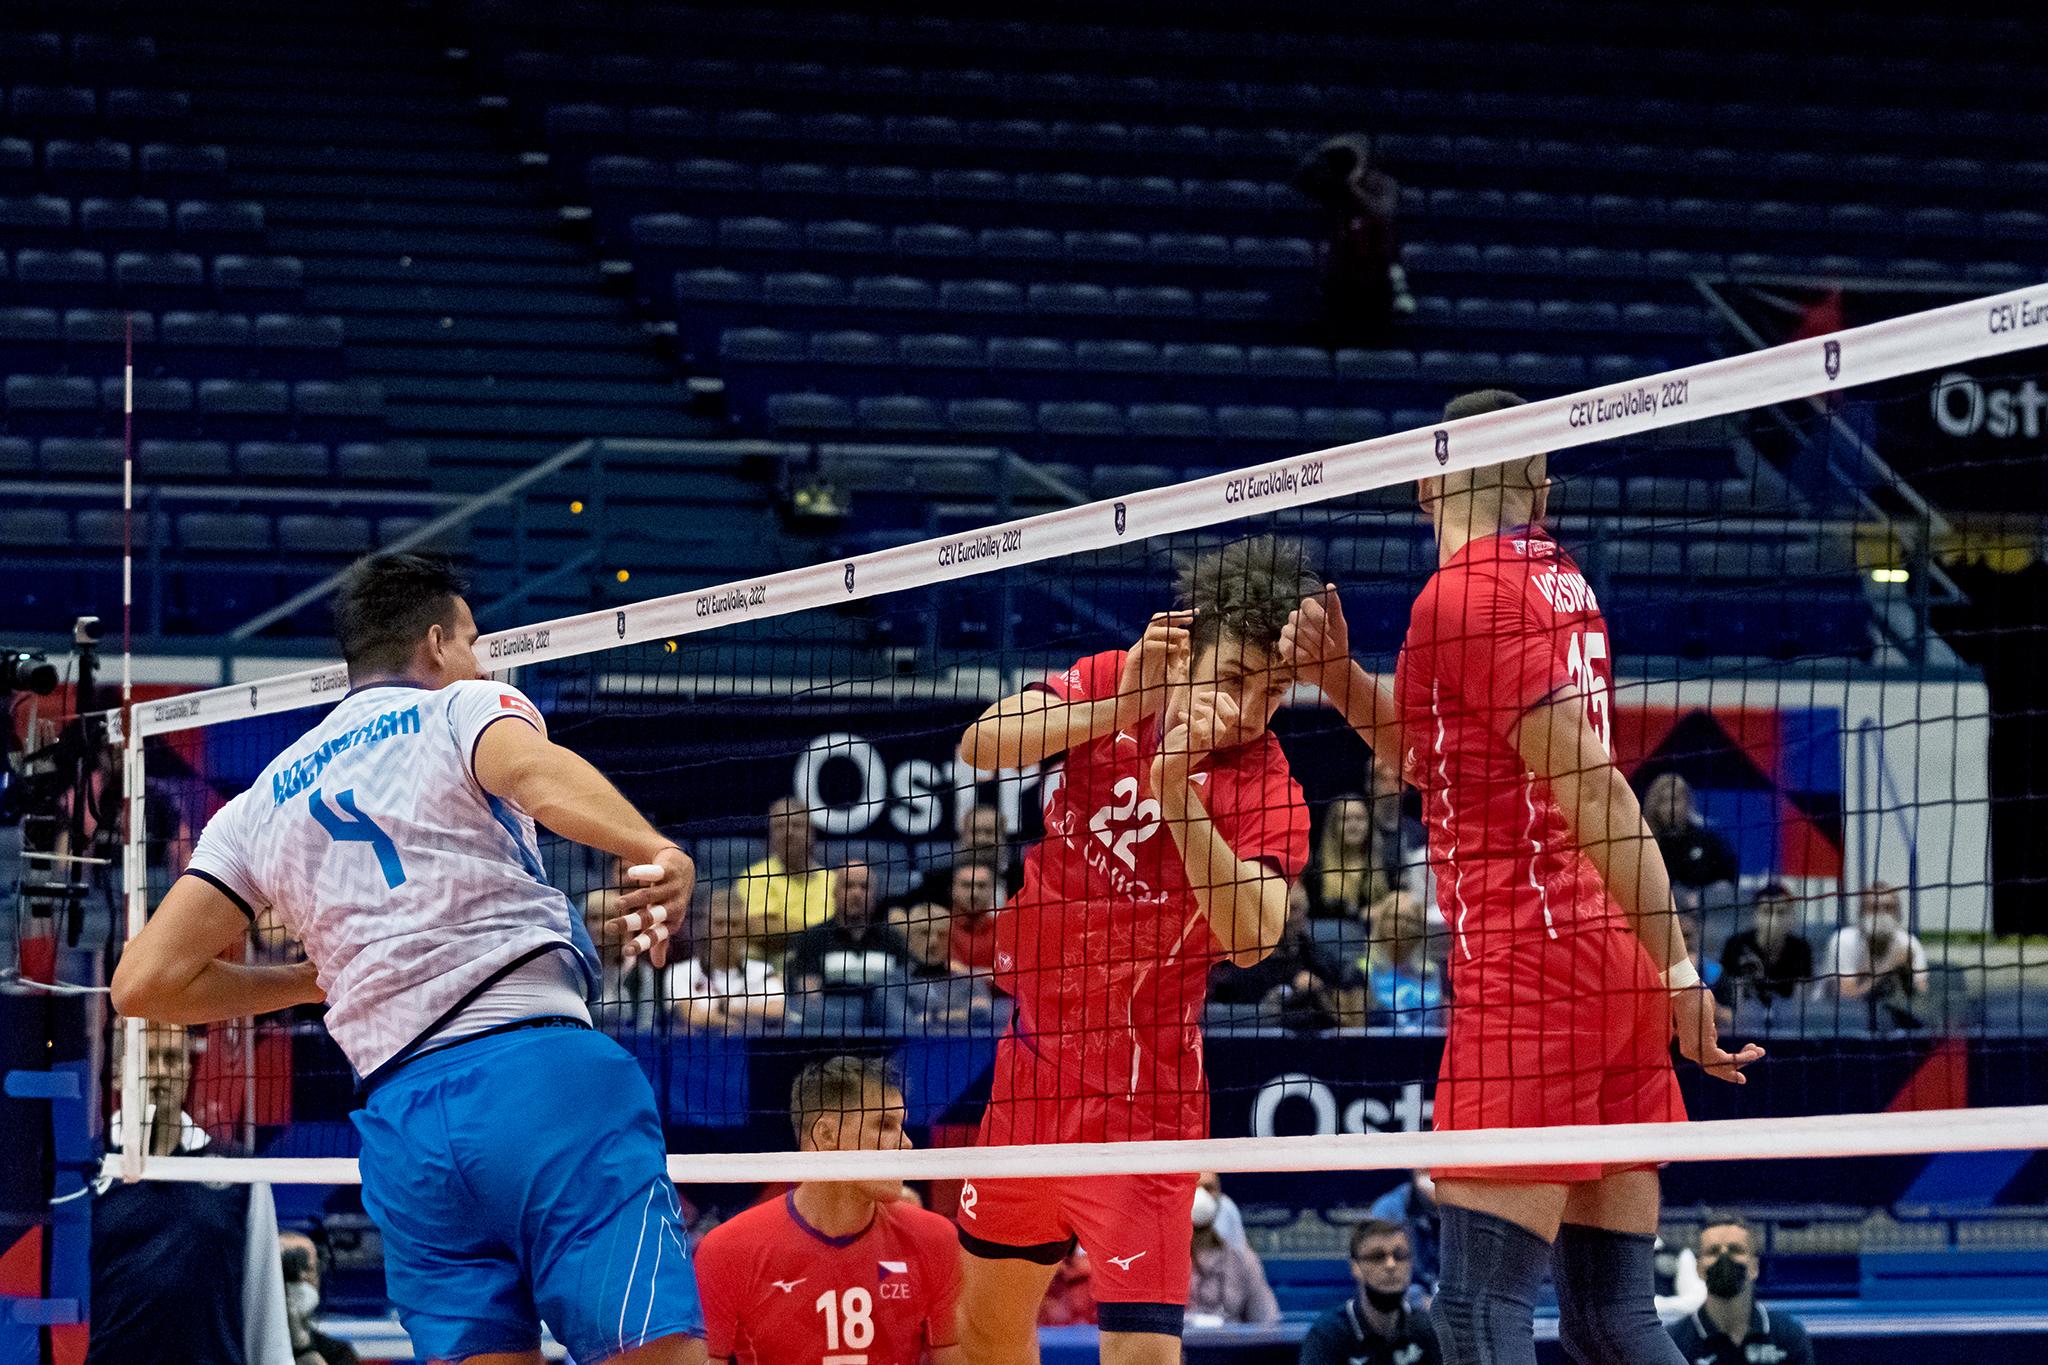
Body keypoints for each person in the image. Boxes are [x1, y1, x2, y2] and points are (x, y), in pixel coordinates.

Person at [111, 552, 706, 1365]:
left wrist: (308, 981)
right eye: (472, 641)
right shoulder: (461, 706)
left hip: (404, 1127)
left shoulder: (257, 802)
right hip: (538, 1080)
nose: (480, 660)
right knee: (653, 1351)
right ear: (435, 643)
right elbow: (534, 773)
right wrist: (652, 846)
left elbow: (142, 983)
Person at [1280, 391, 1762, 1365]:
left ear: (1426, 479)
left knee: (1475, 1314)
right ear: (1541, 484)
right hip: (1606, 963)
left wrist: (1683, 969)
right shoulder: (1556, 580)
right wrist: (1338, 682)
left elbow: (1597, 790)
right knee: (1611, 1322)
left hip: (1533, 965)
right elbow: (1438, 759)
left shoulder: (1461, 597)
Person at [952, 536, 1317, 1365]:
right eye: (1233, 678)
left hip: (1144, 1104)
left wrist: (1177, 793)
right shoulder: (1120, 678)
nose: (1250, 708)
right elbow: (980, 743)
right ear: (1184, 655)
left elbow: (1254, 938)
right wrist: (1118, 708)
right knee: (984, 1335)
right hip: (1031, 1077)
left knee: (1142, 1357)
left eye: (1274, 689)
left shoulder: (1267, 784)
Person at [693, 1056, 964, 1365]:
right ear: (826, 1135)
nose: (906, 1143)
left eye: (901, 1126)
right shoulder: (729, 1249)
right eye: (885, 1125)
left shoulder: (934, 1239)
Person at [90, 1024, 294, 1365]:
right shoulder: (88, 1170)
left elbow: (265, 1306)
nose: (159, 1072)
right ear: (117, 1072)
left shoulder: (237, 1172)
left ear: (187, 1071)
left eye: (171, 1059)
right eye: (146, 1058)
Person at [1291, 132, 1414, 345]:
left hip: (1376, 277)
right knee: (1338, 339)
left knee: (1375, 341)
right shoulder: (1334, 186)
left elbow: (1382, 212)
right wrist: (1323, 151)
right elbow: (1299, 181)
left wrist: (1353, 186)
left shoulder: (1383, 184)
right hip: (1340, 275)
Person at [1668, 1218, 1814, 1365]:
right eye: (1713, 1251)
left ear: (1754, 1267)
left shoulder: (1788, 1336)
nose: (1724, 1256)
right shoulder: (1675, 1343)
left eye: (1735, 1250)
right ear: (1699, 1269)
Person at [1299, 1219, 1442, 1365]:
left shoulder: (1426, 1328)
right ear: (1355, 1266)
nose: (1391, 1265)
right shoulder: (1327, 1335)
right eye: (1377, 1257)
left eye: (1399, 1256)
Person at [785, 860, 910, 995]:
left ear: (874, 896)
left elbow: (905, 989)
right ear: (834, 893)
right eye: (848, 886)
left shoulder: (893, 939)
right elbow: (809, 994)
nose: (856, 893)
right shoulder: (812, 939)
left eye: (864, 887)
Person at [672, 888, 787, 1033]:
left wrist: (725, 1008)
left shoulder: (764, 971)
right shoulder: (681, 972)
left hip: (752, 1046)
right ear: (706, 927)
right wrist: (745, 1019)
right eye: (719, 923)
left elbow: (777, 1011)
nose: (727, 932)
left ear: (745, 929)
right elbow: (693, 1016)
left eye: (734, 924)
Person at [738, 796, 836, 964]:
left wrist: (785, 927)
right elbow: (758, 929)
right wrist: (818, 931)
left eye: (796, 825)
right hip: (770, 967)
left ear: (811, 833)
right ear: (770, 835)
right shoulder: (755, 876)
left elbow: (845, 929)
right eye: (780, 826)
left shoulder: (833, 881)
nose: (788, 832)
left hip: (823, 964)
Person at [1815, 883, 1929, 1024]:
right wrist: (1888, 966)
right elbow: (1845, 998)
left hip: (1888, 1020)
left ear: (1898, 914)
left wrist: (1906, 974)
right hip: (1835, 1020)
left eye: (1888, 908)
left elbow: (1920, 998)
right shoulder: (1844, 940)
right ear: (1861, 913)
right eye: (1874, 908)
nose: (1881, 914)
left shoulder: (1909, 943)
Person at [889, 901, 1006, 1033]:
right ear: (909, 940)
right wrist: (965, 1014)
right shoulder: (893, 983)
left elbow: (989, 1018)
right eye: (925, 933)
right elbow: (906, 1027)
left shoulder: (970, 982)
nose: (933, 942)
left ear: (950, 941)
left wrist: (933, 1017)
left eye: (941, 934)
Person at [1186, 1177, 1279, 1327]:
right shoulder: (1162, 1261)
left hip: (1228, 1341)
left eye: (1208, 1188)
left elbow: (1266, 1322)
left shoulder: (1243, 1260)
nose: (1200, 1195)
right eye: (1192, 1187)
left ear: (1219, 1196)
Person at [584, 856, 664, 1032]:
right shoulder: (577, 969)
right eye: (594, 918)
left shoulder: (641, 973)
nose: (602, 926)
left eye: (609, 917)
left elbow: (647, 1026)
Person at [1641, 774, 1739, 914]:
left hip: (1707, 913)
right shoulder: (1645, 843)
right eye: (1663, 801)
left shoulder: (1709, 838)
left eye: (1675, 800)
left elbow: (1727, 881)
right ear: (1654, 806)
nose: (1670, 807)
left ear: (1687, 801)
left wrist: (1705, 896)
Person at [1715, 884, 1812, 1008]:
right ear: (1755, 916)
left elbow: (1800, 1002)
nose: (1774, 920)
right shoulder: (1735, 944)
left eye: (1781, 912)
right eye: (1767, 912)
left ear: (1791, 917)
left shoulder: (1801, 948)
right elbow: (1731, 995)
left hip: (1787, 1016)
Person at [1363, 890, 1444, 1033]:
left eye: (1410, 920)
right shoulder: (1363, 970)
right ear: (1381, 923)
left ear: (1420, 929)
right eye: (1395, 918)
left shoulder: (1433, 972)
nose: (1402, 925)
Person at [279, 1227, 359, 1365]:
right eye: (288, 1268)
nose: (301, 1276)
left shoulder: (336, 1352)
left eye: (309, 1268)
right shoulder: (242, 1346)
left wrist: (303, 1347)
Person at [1367, 1170, 1441, 1300]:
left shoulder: (1467, 1205)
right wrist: (1419, 1301)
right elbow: (1380, 1277)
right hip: (1409, 1304)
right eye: (1426, 1170)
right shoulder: (1389, 1210)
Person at [947, 861, 1002, 974]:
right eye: (966, 885)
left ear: (992, 891)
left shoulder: (1004, 929)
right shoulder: (940, 928)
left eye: (981, 886)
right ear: (953, 890)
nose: (974, 893)